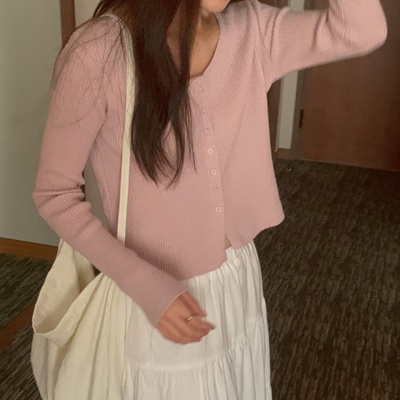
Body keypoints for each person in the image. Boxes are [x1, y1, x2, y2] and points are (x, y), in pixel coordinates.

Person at [32, 0, 387, 398]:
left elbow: (361, 30)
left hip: (236, 275)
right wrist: (144, 284)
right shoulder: (98, 52)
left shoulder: (252, 30)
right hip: (154, 295)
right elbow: (55, 195)